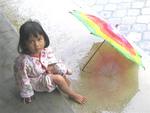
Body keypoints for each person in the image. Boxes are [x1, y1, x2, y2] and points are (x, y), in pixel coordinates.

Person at [13, 20, 87, 104]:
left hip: (45, 71)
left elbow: (51, 60)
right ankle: (72, 95)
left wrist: (53, 68)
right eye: (31, 41)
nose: (37, 45)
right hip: (36, 80)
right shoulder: (22, 62)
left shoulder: (45, 50)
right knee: (58, 79)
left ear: (44, 38)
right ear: (24, 43)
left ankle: (67, 88)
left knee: (60, 70)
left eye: (39, 39)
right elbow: (22, 78)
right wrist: (27, 94)